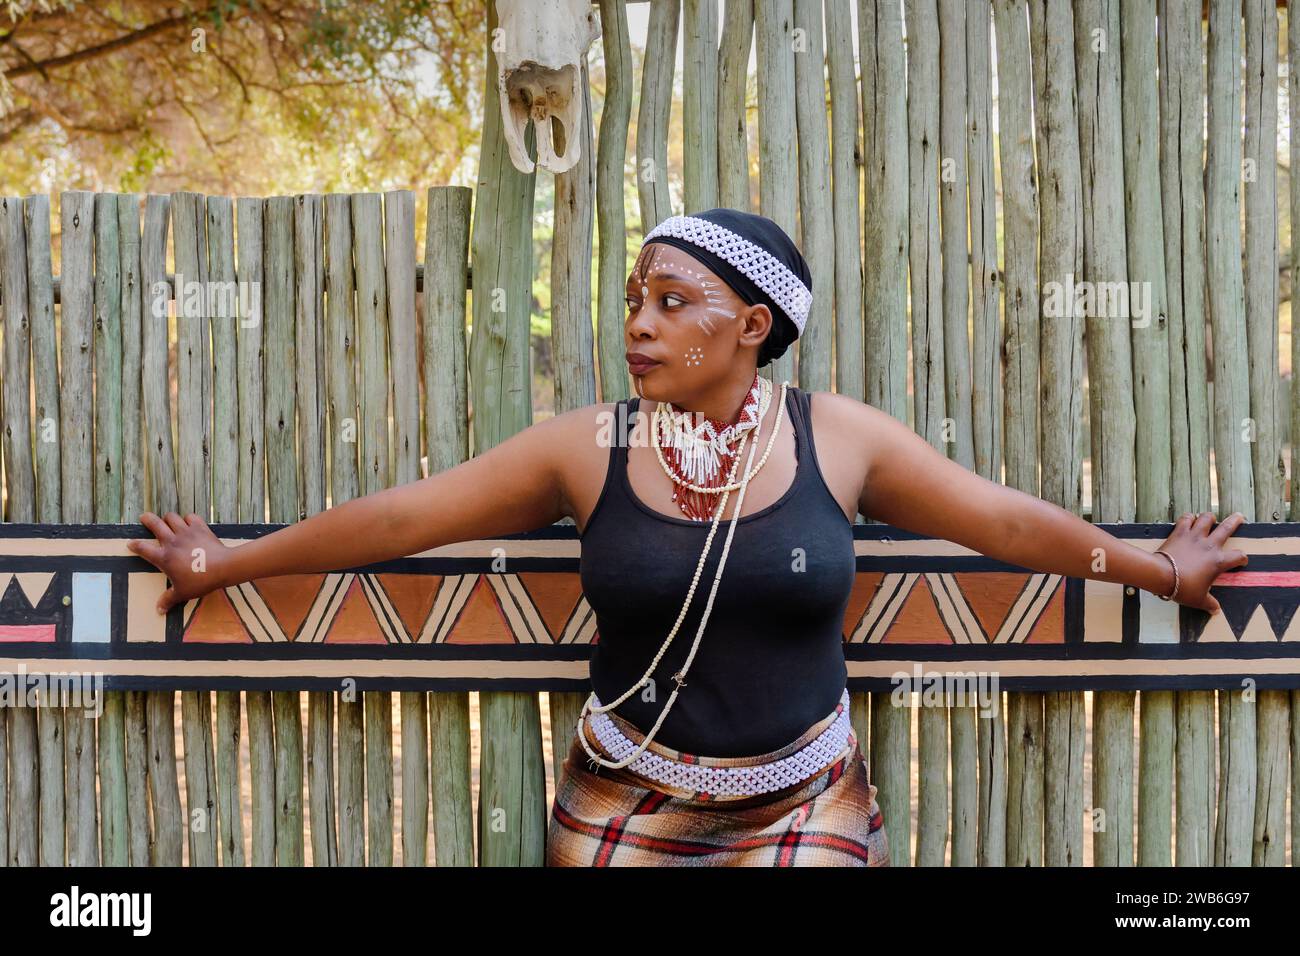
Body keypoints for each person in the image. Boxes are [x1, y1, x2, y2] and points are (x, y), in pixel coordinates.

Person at [128, 207, 1248, 867]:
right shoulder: (589, 446)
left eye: (672, 300)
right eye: (634, 299)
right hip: (623, 792)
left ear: (751, 326)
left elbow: (1004, 518)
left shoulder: (838, 440)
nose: (639, 324)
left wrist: (1159, 570)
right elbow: (402, 518)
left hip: (805, 798)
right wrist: (223, 562)